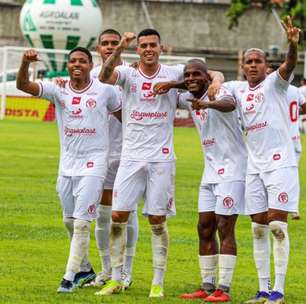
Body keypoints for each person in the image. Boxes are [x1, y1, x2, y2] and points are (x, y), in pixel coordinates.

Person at [95, 29, 224, 298]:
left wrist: (216, 80)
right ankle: (116, 279)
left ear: (161, 47)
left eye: (153, 45)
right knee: (118, 215)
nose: (148, 49)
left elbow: (206, 72)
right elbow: (104, 76)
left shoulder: (175, 71)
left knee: (157, 219)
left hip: (161, 158)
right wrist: (120, 46)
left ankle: (157, 281)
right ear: (138, 49)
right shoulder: (128, 73)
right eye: (143, 46)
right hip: (131, 157)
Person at [16, 47, 121, 293]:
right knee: (69, 221)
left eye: (82, 61)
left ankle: (68, 277)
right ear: (68, 65)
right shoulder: (58, 89)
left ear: (90, 64)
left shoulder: (105, 90)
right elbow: (23, 85)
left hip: (95, 164)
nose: (77, 65)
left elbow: (124, 118)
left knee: (83, 222)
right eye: (73, 61)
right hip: (67, 165)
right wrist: (24, 62)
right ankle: (85, 269)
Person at [156, 59, 247, 302]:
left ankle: (224, 289)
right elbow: (190, 82)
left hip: (233, 169)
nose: (191, 78)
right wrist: (174, 83)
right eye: (188, 75)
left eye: (197, 74)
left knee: (225, 226)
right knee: (204, 226)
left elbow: (229, 104)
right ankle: (207, 286)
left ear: (208, 77)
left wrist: (208, 102)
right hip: (210, 171)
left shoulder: (220, 90)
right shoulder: (190, 91)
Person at [224, 17, 300, 304]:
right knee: (257, 227)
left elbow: (289, 65)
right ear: (243, 67)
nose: (253, 65)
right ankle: (263, 289)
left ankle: (278, 291)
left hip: (281, 163)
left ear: (267, 67)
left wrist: (292, 45)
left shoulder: (275, 84)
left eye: (258, 61)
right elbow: (215, 80)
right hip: (253, 166)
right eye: (249, 61)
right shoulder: (238, 90)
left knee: (278, 226)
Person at [90, 28, 139, 289]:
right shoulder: (90, 78)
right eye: (105, 43)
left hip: (129, 153)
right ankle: (105, 270)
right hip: (98, 155)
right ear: (98, 49)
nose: (110, 46)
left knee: (127, 214)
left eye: (114, 43)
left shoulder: (132, 74)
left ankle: (126, 272)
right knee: (102, 214)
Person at [267, 63, 306, 220]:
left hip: (279, 140)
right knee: (290, 173)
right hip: (294, 139)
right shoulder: (296, 90)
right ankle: (292, 207)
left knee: (275, 173)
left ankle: (281, 204)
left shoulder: (273, 92)